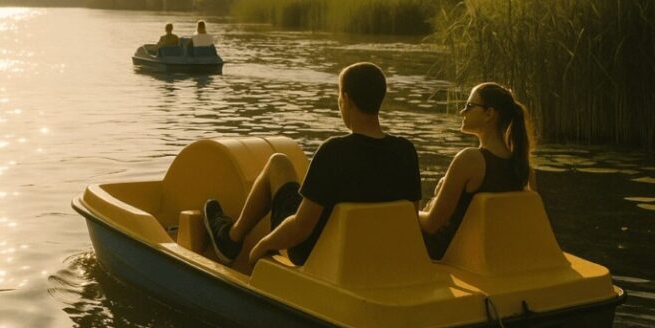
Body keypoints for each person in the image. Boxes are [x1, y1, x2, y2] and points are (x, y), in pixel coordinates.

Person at [202, 62, 422, 266]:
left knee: (278, 163)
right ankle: (233, 235)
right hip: (376, 252)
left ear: (345, 99)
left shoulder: (334, 151)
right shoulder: (405, 151)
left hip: (317, 252)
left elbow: (300, 228)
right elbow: (408, 219)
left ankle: (231, 237)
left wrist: (263, 245)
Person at [419, 82, 536, 260]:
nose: (462, 112)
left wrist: (406, 209)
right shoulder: (523, 167)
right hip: (487, 254)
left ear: (489, 114)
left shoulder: (470, 160)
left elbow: (431, 224)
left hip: (446, 251)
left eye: (469, 106)